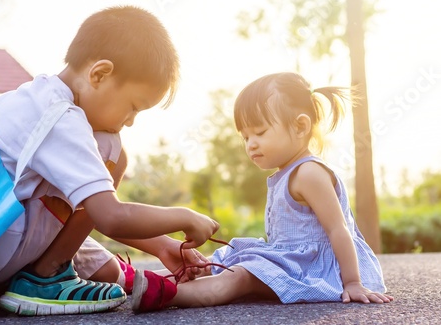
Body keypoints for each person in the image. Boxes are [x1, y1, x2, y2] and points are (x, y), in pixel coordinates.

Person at [0, 5, 218, 316]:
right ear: (99, 73)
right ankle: (46, 277)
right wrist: (183, 216)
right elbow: (110, 215)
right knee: (113, 149)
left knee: (105, 273)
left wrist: (161, 245)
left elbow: (92, 208)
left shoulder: (34, 98)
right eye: (133, 107)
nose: (130, 122)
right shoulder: (60, 119)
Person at [131, 72, 394, 313]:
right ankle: (146, 281)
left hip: (315, 270)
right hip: (290, 261)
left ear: (301, 127)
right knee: (219, 260)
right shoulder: (286, 174)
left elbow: (339, 229)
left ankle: (166, 293)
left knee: (239, 276)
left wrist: (353, 282)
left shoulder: (310, 173)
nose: (251, 144)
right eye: (245, 137)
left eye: (260, 132)